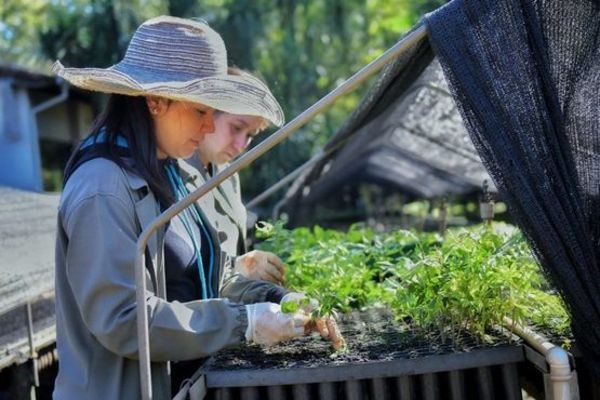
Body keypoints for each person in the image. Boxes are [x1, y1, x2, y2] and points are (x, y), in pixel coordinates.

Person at [51, 16, 334, 399]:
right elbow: (124, 319)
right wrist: (243, 324)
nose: (207, 128)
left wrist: (275, 301)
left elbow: (207, 281)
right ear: (156, 101)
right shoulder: (102, 187)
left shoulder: (168, 172)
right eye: (202, 111)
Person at [187, 67, 286, 285]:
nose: (241, 145)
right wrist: (240, 269)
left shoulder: (228, 175)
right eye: (237, 128)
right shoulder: (172, 175)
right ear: (209, 113)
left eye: (250, 135)